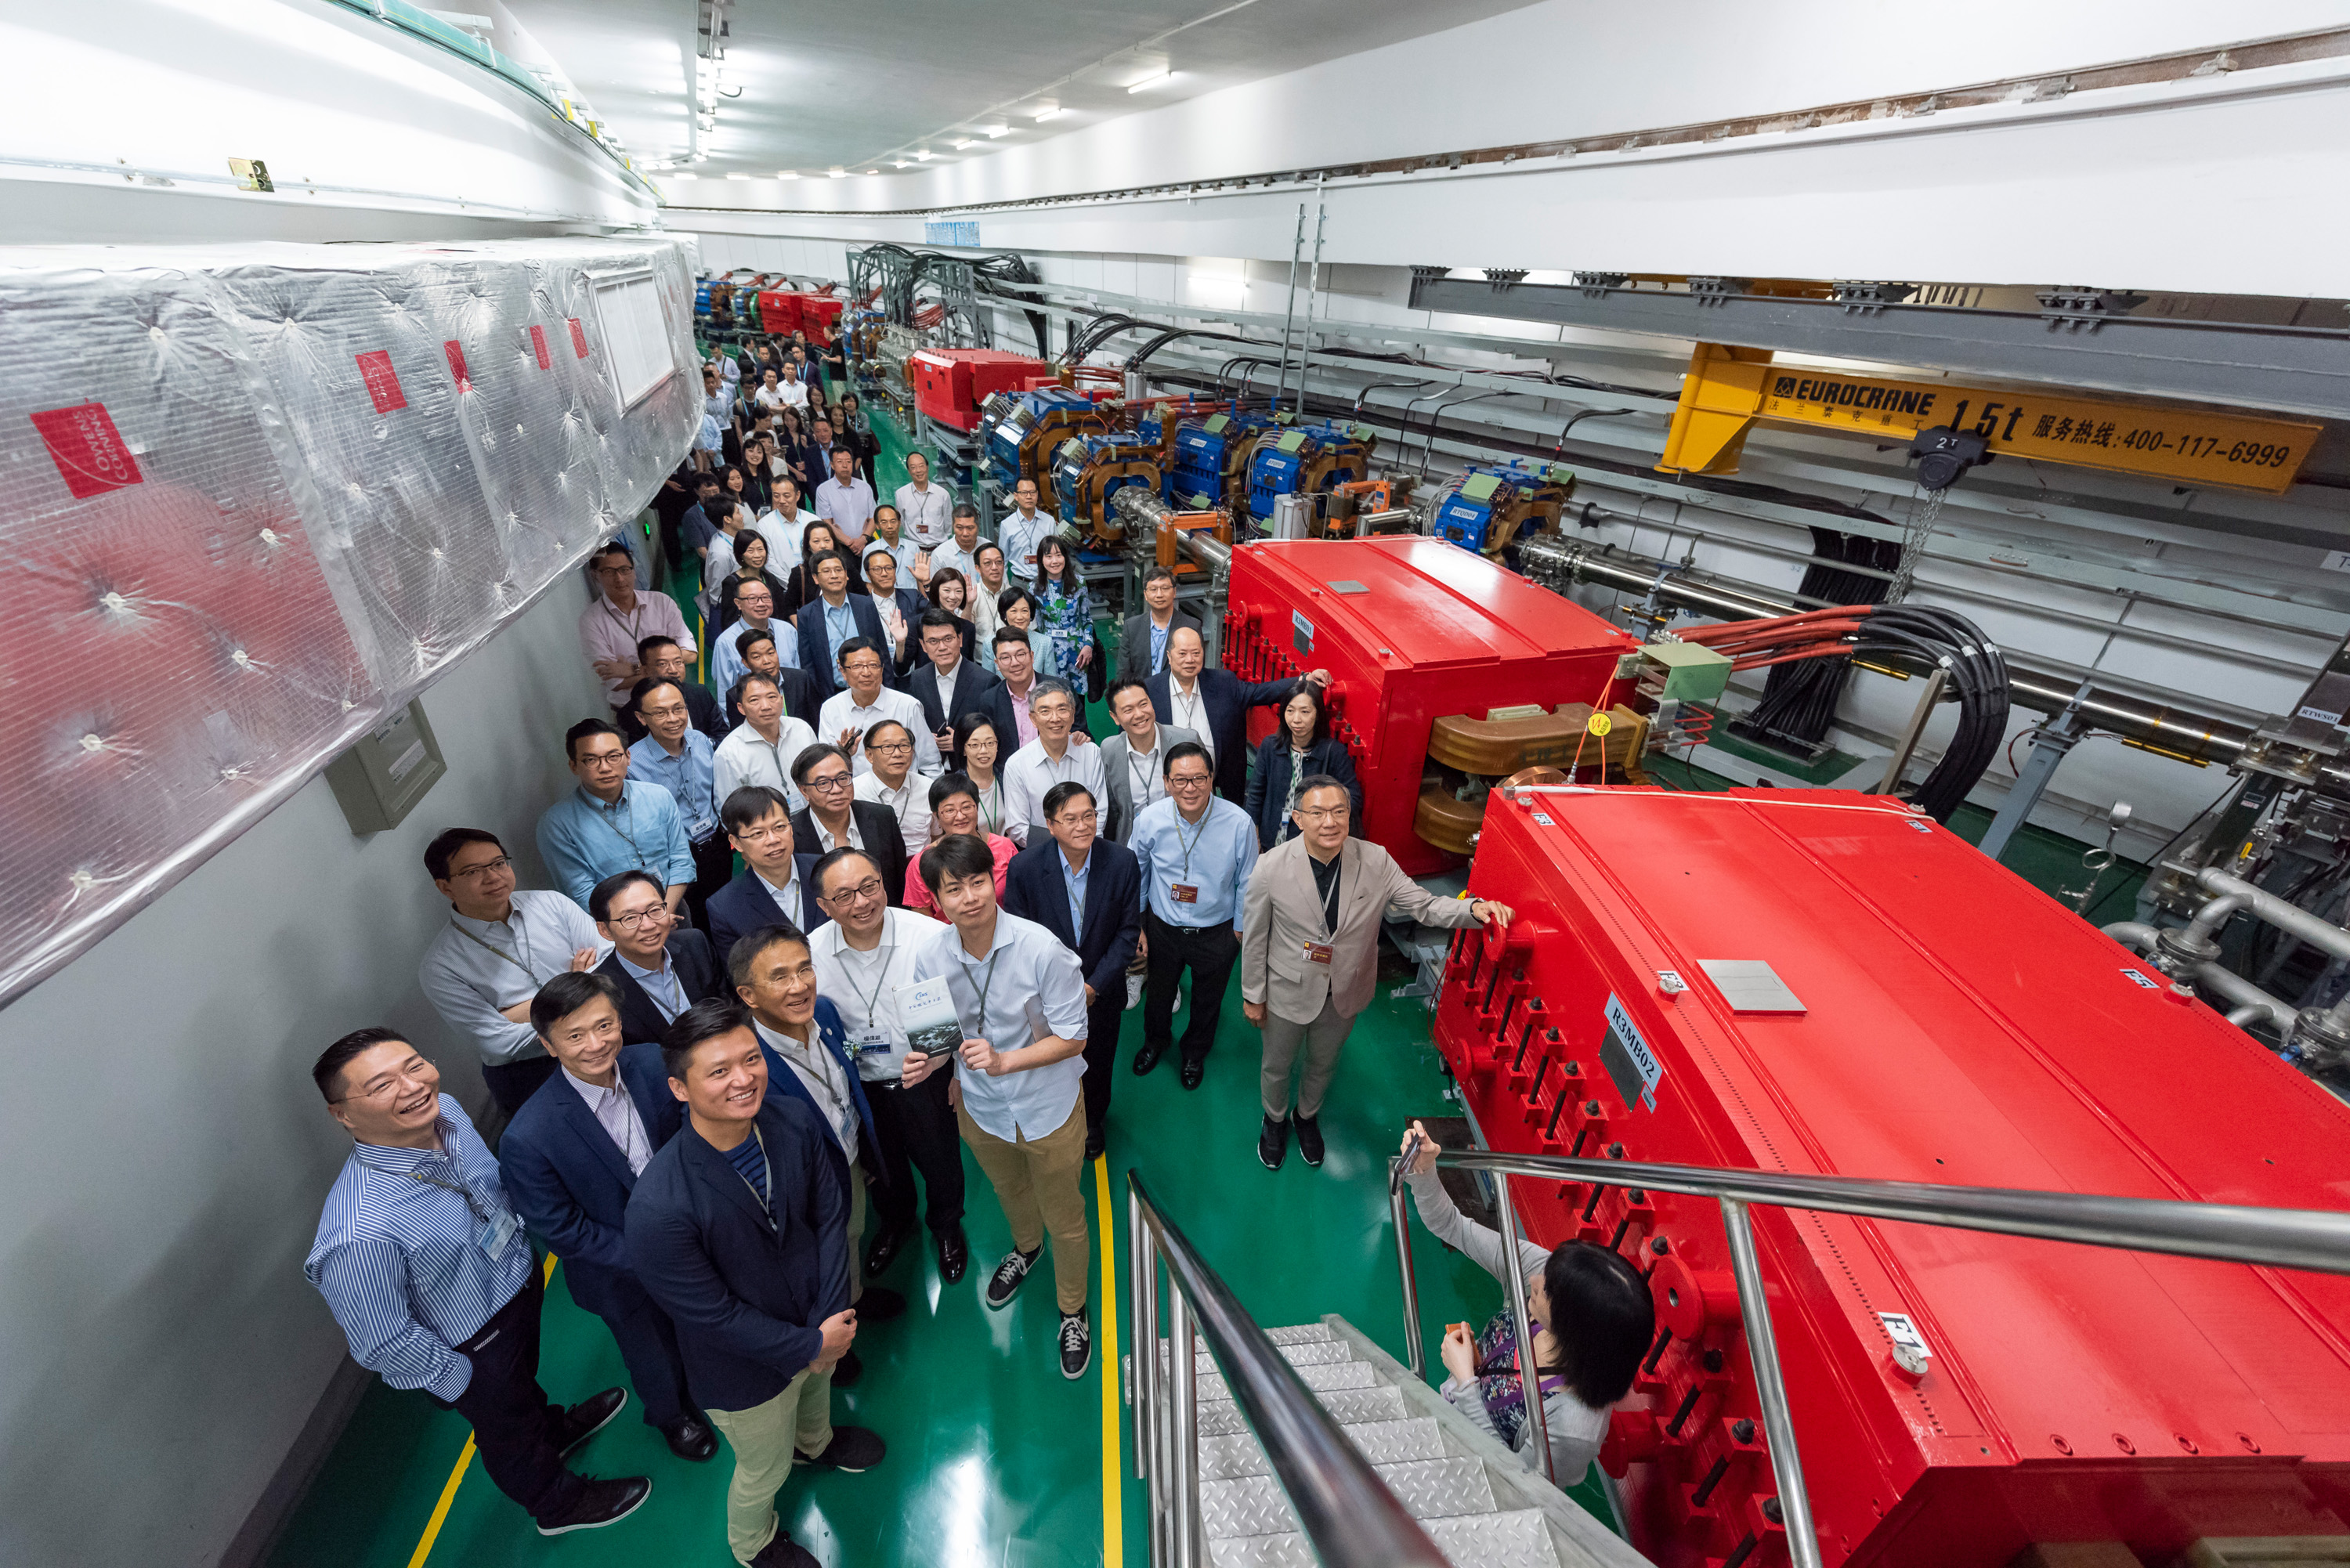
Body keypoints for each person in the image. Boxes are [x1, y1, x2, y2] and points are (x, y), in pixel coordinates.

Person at [306, 1029, 652, 1537]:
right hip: (472, 1345)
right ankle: (557, 1506)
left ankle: (552, 1430)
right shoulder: (359, 1231)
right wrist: (466, 1383)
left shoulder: (446, 1113)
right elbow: (383, 1341)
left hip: (514, 1287)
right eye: (381, 1085)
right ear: (343, 1114)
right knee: (507, 1430)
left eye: (414, 1065)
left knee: (523, 1392)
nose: (413, 1087)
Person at [625, 1000, 879, 1568]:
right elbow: (711, 1316)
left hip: (820, 1320)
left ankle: (816, 1445)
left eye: (751, 1059)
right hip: (745, 1371)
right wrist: (810, 1345)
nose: (744, 1079)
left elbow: (829, 1217)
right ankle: (753, 1543)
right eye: (719, 1071)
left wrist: (828, 1320)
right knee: (764, 1468)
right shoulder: (659, 1205)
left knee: (815, 1399)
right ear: (679, 1088)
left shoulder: (791, 1120)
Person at [497, 972, 716, 1463]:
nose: (596, 1044)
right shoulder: (528, 1136)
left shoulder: (653, 1062)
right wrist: (653, 1257)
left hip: (696, 1229)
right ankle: (671, 1415)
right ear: (548, 1045)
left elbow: (694, 1127)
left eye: (604, 1026)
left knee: (706, 1317)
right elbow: (562, 1230)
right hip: (620, 1270)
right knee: (651, 1348)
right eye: (575, 1035)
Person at [901, 835, 1094, 1378]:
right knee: (1011, 1191)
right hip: (982, 1110)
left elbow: (1074, 1038)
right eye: (953, 889)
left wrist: (1004, 1061)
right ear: (936, 899)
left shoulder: (1042, 949)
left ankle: (1073, 1309)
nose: (970, 898)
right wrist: (929, 1065)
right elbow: (940, 1042)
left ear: (994, 882)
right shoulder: (930, 956)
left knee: (1066, 1216)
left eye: (978, 882)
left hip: (1047, 1106)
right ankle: (1026, 1249)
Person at [1242, 779, 1509, 1167]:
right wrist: (1253, 995)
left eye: (1339, 812)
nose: (1330, 822)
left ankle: (1306, 1116)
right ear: (1298, 819)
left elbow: (1423, 905)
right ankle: (1275, 1119)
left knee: (1323, 1062)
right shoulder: (1271, 867)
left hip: (1345, 991)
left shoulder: (1375, 861)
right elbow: (1255, 937)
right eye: (1318, 813)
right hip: (1287, 989)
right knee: (1277, 1064)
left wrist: (1473, 910)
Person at [1395, 1122, 1654, 1489]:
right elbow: (1453, 1226)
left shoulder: (1574, 1426)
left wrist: (1467, 1382)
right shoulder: (1542, 1269)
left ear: (1572, 1329)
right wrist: (1424, 1172)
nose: (1532, 1281)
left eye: (1546, 1292)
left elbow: (1517, 1484)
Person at [728, 924, 903, 1341]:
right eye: (780, 977)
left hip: (848, 1156)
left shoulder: (823, 1012)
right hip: (802, 1191)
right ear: (748, 995)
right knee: (817, 1264)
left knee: (851, 1234)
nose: (799, 986)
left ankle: (854, 1300)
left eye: (804, 969)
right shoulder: (746, 1065)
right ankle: (827, 1340)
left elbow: (846, 1070)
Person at [806, 848, 965, 1284]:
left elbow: (964, 1007)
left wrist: (954, 1070)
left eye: (869, 886)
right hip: (861, 1085)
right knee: (882, 1164)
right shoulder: (812, 954)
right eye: (844, 896)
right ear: (823, 905)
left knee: (941, 1160)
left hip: (926, 1077)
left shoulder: (931, 936)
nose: (861, 902)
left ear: (883, 882)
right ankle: (896, 1223)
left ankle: (947, 1226)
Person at [417, 828, 609, 1114]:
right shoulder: (440, 966)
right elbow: (499, 1042)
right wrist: (579, 984)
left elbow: (611, 965)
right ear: (445, 887)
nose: (493, 877)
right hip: (530, 1070)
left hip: (603, 1038)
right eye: (473, 872)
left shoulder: (551, 903)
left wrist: (523, 1012)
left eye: (499, 863)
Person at [1003, 783, 1140, 1160]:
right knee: (1051, 1060)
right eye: (1070, 819)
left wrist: (1093, 987)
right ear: (1050, 825)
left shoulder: (1122, 862)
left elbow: (1127, 933)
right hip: (1046, 994)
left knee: (1099, 1059)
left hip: (1103, 990)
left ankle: (1093, 1120)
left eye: (1089, 816)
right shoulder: (1025, 868)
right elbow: (1018, 935)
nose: (1083, 826)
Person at [1130, 742, 1257, 1089]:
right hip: (1163, 928)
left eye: (1199, 779)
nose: (1190, 788)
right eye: (1180, 780)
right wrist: (1137, 924)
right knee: (1159, 995)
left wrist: (1239, 930)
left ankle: (1194, 1053)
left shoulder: (1239, 823)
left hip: (1217, 931)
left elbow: (1248, 880)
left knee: (1208, 1001)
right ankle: (1155, 1042)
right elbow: (1137, 872)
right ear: (1166, 782)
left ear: (1211, 778)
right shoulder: (1150, 820)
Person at [1148, 626, 1329, 804]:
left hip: (1217, 782)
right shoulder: (1151, 690)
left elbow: (1260, 692)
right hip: (1170, 787)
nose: (1190, 659)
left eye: (1196, 653)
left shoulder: (1223, 683)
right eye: (1182, 654)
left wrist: (1303, 679)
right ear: (1169, 656)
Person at [538, 719, 696, 916]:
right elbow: (581, 892)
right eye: (591, 760)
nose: (605, 767)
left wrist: (662, 913)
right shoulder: (557, 825)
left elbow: (682, 861)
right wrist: (637, 922)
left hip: (671, 907)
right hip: (614, 924)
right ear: (574, 766)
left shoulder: (659, 797)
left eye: (613, 756)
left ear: (628, 757)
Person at [629, 678, 731, 927]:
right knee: (696, 924)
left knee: (727, 913)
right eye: (661, 713)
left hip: (717, 847)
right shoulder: (633, 766)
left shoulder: (700, 741)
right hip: (677, 860)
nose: (673, 719)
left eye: (679, 709)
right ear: (641, 718)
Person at [592, 869, 725, 1046]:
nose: (648, 925)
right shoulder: (599, 990)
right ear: (605, 930)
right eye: (630, 918)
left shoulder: (694, 943)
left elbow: (727, 1004)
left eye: (655, 910)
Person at [707, 786, 829, 963]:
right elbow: (741, 973)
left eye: (780, 827)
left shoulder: (826, 870)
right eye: (758, 834)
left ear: (791, 827)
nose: (773, 840)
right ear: (736, 842)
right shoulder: (725, 907)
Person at [1244, 681, 1365, 851]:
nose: (1296, 719)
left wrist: (1324, 809)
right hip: (1271, 838)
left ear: (1318, 714)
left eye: (1305, 712)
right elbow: (1256, 794)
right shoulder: (1270, 746)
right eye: (1290, 711)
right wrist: (1254, 833)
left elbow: (1353, 799)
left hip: (1312, 845)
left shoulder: (1333, 752)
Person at [580, 542, 694, 721]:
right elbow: (615, 682)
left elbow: (690, 654)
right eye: (609, 572)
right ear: (595, 575)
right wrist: (668, 664)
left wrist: (633, 669)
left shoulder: (661, 603)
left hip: (673, 700)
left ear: (633, 570)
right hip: (630, 709)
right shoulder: (591, 621)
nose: (620, 578)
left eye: (625, 570)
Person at [790, 743, 909, 906]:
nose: (837, 789)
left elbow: (900, 881)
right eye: (823, 783)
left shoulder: (882, 817)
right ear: (804, 791)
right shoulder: (791, 833)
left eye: (843, 779)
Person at [1001, 677, 1105, 847]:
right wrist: (1064, 846)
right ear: (1033, 719)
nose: (1055, 718)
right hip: (1042, 853)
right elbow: (1017, 826)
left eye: (1062, 709)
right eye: (1045, 711)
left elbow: (1100, 810)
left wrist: (1083, 845)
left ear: (1072, 714)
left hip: (1089, 849)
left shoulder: (1091, 753)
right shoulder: (1017, 765)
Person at [817, 638, 942, 776]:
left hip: (901, 788)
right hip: (853, 789)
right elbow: (826, 765)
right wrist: (844, 754)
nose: (866, 673)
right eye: (857, 666)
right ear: (843, 671)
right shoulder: (831, 708)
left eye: (873, 665)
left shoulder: (907, 706)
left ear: (882, 668)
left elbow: (930, 764)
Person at [1098, 677, 1199, 847]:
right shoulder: (1109, 750)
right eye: (1128, 710)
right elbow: (1113, 810)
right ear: (1115, 717)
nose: (1139, 714)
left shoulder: (1187, 740)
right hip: (1132, 845)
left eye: (1143, 704)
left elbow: (1203, 793)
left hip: (1182, 842)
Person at [904, 773, 1018, 919]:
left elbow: (1020, 898)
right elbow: (922, 920)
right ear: (936, 815)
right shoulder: (921, 862)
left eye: (967, 807)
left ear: (977, 807)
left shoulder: (1004, 847)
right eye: (949, 811)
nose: (960, 816)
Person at [793, 550, 893, 702]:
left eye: (838, 570)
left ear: (846, 575)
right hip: (832, 694)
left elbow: (881, 650)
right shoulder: (807, 614)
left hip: (871, 690)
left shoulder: (865, 605)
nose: (834, 575)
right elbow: (808, 663)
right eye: (827, 571)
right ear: (815, 578)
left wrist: (889, 690)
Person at [714, 672, 820, 813]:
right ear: (741, 708)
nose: (765, 706)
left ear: (781, 700)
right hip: (766, 825)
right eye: (754, 700)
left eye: (771, 697)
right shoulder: (728, 754)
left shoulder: (802, 729)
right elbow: (729, 810)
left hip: (813, 816)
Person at [908, 608, 998, 770]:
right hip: (928, 769)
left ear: (960, 639)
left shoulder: (986, 681)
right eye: (933, 641)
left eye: (948, 639)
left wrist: (963, 741)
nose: (942, 647)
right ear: (923, 645)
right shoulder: (917, 678)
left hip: (970, 769)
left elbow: (994, 732)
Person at [710, 581, 796, 703]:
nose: (761, 604)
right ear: (738, 603)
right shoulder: (725, 642)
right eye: (752, 599)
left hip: (790, 707)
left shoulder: (787, 630)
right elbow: (725, 695)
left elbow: (797, 676)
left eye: (765, 597)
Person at [854, 719, 934, 847]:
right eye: (888, 747)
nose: (897, 754)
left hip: (921, 859)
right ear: (869, 755)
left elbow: (937, 835)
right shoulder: (854, 791)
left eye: (904, 746)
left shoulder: (928, 788)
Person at [720, 634, 821, 733]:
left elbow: (816, 721)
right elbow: (740, 733)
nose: (767, 661)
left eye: (771, 653)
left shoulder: (800, 679)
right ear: (746, 662)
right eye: (757, 657)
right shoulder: (736, 695)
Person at [1119, 565, 1202, 681]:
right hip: (1141, 690)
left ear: (1174, 592)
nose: (1159, 594)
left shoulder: (1191, 626)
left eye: (1165, 588)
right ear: (1145, 594)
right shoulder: (1132, 627)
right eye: (1153, 589)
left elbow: (1196, 669)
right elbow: (1123, 672)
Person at [641, 635, 729, 742]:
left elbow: (721, 734)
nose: (673, 670)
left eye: (678, 662)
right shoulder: (635, 709)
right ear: (645, 671)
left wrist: (705, 747)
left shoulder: (699, 693)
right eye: (663, 664)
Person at [861, 544, 926, 676]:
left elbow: (937, 616)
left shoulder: (912, 596)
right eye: (877, 569)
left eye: (889, 568)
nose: (884, 574)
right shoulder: (862, 606)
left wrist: (926, 583)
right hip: (877, 675)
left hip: (912, 672)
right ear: (868, 574)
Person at [948, 715, 1014, 837]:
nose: (984, 750)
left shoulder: (1009, 777)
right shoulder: (954, 788)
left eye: (990, 743)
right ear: (963, 749)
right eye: (975, 745)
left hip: (1009, 847)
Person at [980, 627, 1043, 750]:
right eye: (1005, 658)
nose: (1015, 663)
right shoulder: (989, 700)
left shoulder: (1061, 690)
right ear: (997, 664)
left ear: (1032, 656)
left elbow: (1079, 735)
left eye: (1020, 655)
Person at [714, 532, 790, 634]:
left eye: (760, 549)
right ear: (741, 554)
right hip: (746, 638)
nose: (757, 555)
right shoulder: (731, 583)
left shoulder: (770, 578)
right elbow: (728, 622)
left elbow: (781, 613)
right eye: (750, 551)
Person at [814, 448, 876, 553]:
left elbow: (873, 517)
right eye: (840, 462)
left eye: (848, 462)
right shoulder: (823, 490)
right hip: (840, 547)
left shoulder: (865, 488)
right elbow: (826, 523)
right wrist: (850, 543)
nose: (845, 465)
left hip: (866, 543)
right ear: (832, 465)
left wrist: (863, 540)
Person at [754, 475, 816, 575]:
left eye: (786, 496)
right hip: (781, 582)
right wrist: (790, 582)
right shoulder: (765, 524)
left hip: (814, 579)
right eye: (776, 496)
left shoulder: (812, 520)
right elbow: (769, 562)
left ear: (797, 495)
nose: (781, 501)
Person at [779, 521, 842, 617]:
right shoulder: (800, 573)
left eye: (827, 540)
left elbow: (861, 598)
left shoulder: (846, 568)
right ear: (808, 545)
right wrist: (802, 625)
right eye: (816, 541)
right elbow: (789, 608)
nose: (823, 546)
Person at [894, 450, 954, 551]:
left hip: (939, 549)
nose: (918, 470)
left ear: (927, 467)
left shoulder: (942, 494)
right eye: (913, 467)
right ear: (909, 471)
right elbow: (901, 522)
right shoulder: (901, 494)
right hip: (914, 550)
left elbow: (948, 524)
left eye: (921, 466)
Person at [995, 587, 1058, 682]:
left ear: (1031, 614)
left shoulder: (1045, 642)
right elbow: (989, 682)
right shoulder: (991, 643)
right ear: (1004, 614)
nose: (1020, 617)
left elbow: (1051, 681)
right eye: (1014, 611)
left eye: (1024, 611)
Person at [997, 477, 1051, 588]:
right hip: (1019, 583)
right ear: (1016, 496)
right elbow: (1002, 560)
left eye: (1032, 492)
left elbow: (1056, 553)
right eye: (1024, 493)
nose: (1029, 497)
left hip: (1045, 582)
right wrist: (1005, 586)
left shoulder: (1049, 521)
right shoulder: (1007, 525)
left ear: (1037, 494)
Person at [920, 570, 982, 665]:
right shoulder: (921, 625)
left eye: (958, 591)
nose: (953, 596)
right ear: (936, 591)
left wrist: (969, 604)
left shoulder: (969, 627)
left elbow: (968, 662)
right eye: (947, 590)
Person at [970, 544, 1010, 668]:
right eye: (988, 563)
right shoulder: (972, 596)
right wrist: (968, 605)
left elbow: (1030, 632)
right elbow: (964, 633)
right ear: (978, 568)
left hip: (1012, 663)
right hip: (981, 664)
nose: (994, 567)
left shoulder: (1016, 595)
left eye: (999, 562)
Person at [926, 502, 983, 585]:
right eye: (960, 528)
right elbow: (936, 588)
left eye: (970, 528)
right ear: (953, 527)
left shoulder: (988, 548)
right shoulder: (940, 555)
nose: (965, 534)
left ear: (978, 527)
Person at [863, 502, 919, 585]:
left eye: (893, 521)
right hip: (884, 593)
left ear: (899, 523)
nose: (889, 526)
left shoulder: (913, 547)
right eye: (884, 522)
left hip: (912, 593)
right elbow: (868, 582)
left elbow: (919, 578)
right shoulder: (870, 550)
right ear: (877, 525)